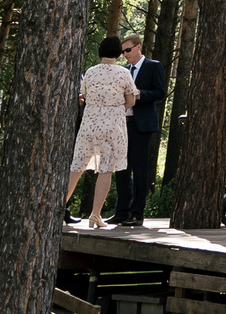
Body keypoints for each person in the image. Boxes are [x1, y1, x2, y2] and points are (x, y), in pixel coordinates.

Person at [66, 35, 138, 229]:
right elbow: (131, 100)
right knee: (106, 169)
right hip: (112, 125)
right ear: (118, 53)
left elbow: (84, 95)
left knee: (77, 166)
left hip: (89, 123)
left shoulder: (91, 72)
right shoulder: (123, 73)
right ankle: (95, 215)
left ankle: (57, 209)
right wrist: (116, 108)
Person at [112, 35, 166, 227]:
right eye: (122, 52)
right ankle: (121, 212)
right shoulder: (124, 70)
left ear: (138, 47)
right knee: (121, 169)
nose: (125, 54)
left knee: (140, 170)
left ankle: (137, 214)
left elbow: (160, 92)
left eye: (128, 50)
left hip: (142, 124)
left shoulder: (153, 66)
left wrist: (140, 94)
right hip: (123, 123)